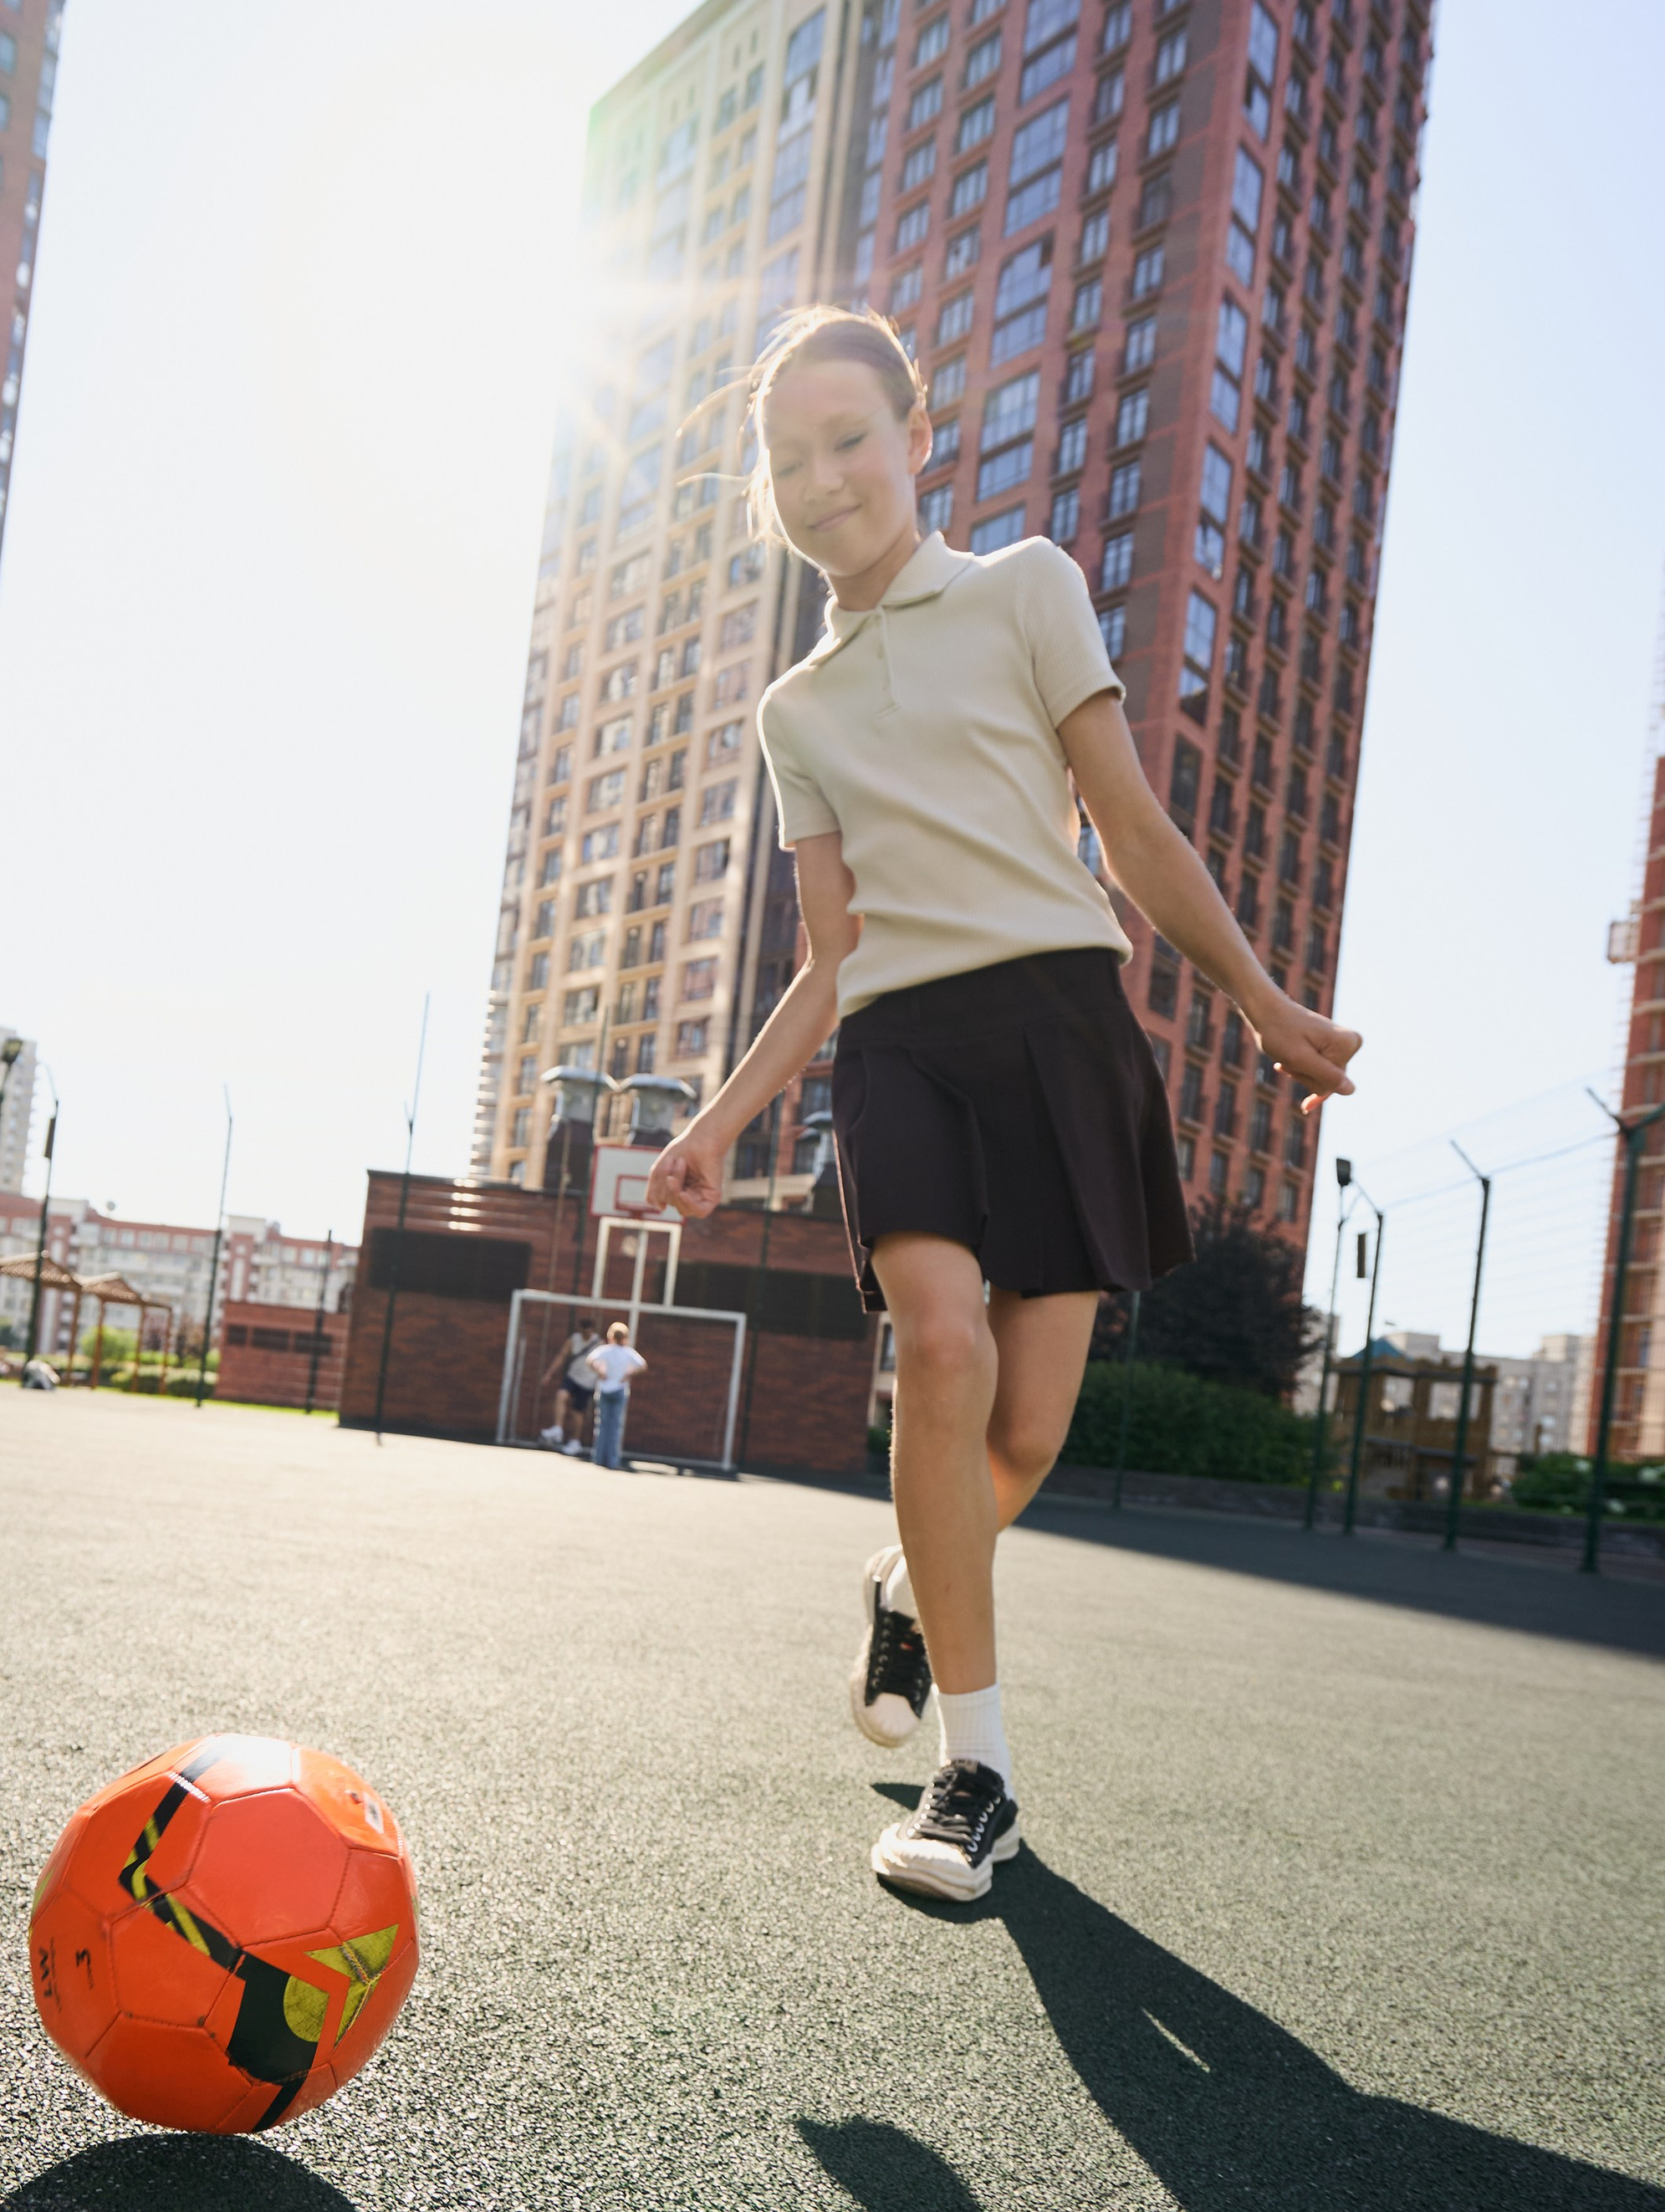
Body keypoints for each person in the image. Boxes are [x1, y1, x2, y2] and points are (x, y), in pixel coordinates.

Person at [647, 307, 1359, 1903]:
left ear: (916, 440)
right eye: (787, 460)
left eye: (848, 440)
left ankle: (910, 1582)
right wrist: (718, 1123)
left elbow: (1133, 827)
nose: (821, 479)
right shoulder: (796, 714)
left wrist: (1262, 1000)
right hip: (901, 1047)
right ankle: (977, 1773)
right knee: (943, 1347)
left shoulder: (1029, 587)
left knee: (1026, 1434)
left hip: (1061, 1029)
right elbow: (830, 962)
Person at [584, 1320, 645, 1469]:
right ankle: (612, 1460)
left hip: (604, 1389)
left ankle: (598, 1458)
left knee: (602, 1424)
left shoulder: (604, 1350)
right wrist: (629, 1373)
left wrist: (600, 1371)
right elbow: (642, 1365)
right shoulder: (628, 1352)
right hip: (619, 1389)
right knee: (616, 1426)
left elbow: (590, 1360)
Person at [540, 1324, 600, 1455]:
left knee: (577, 1412)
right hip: (573, 1376)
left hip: (587, 1382)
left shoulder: (599, 1343)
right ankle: (557, 1428)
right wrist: (549, 1374)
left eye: (589, 1332)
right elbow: (562, 1356)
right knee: (561, 1395)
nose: (586, 1335)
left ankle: (575, 1441)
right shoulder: (574, 1339)